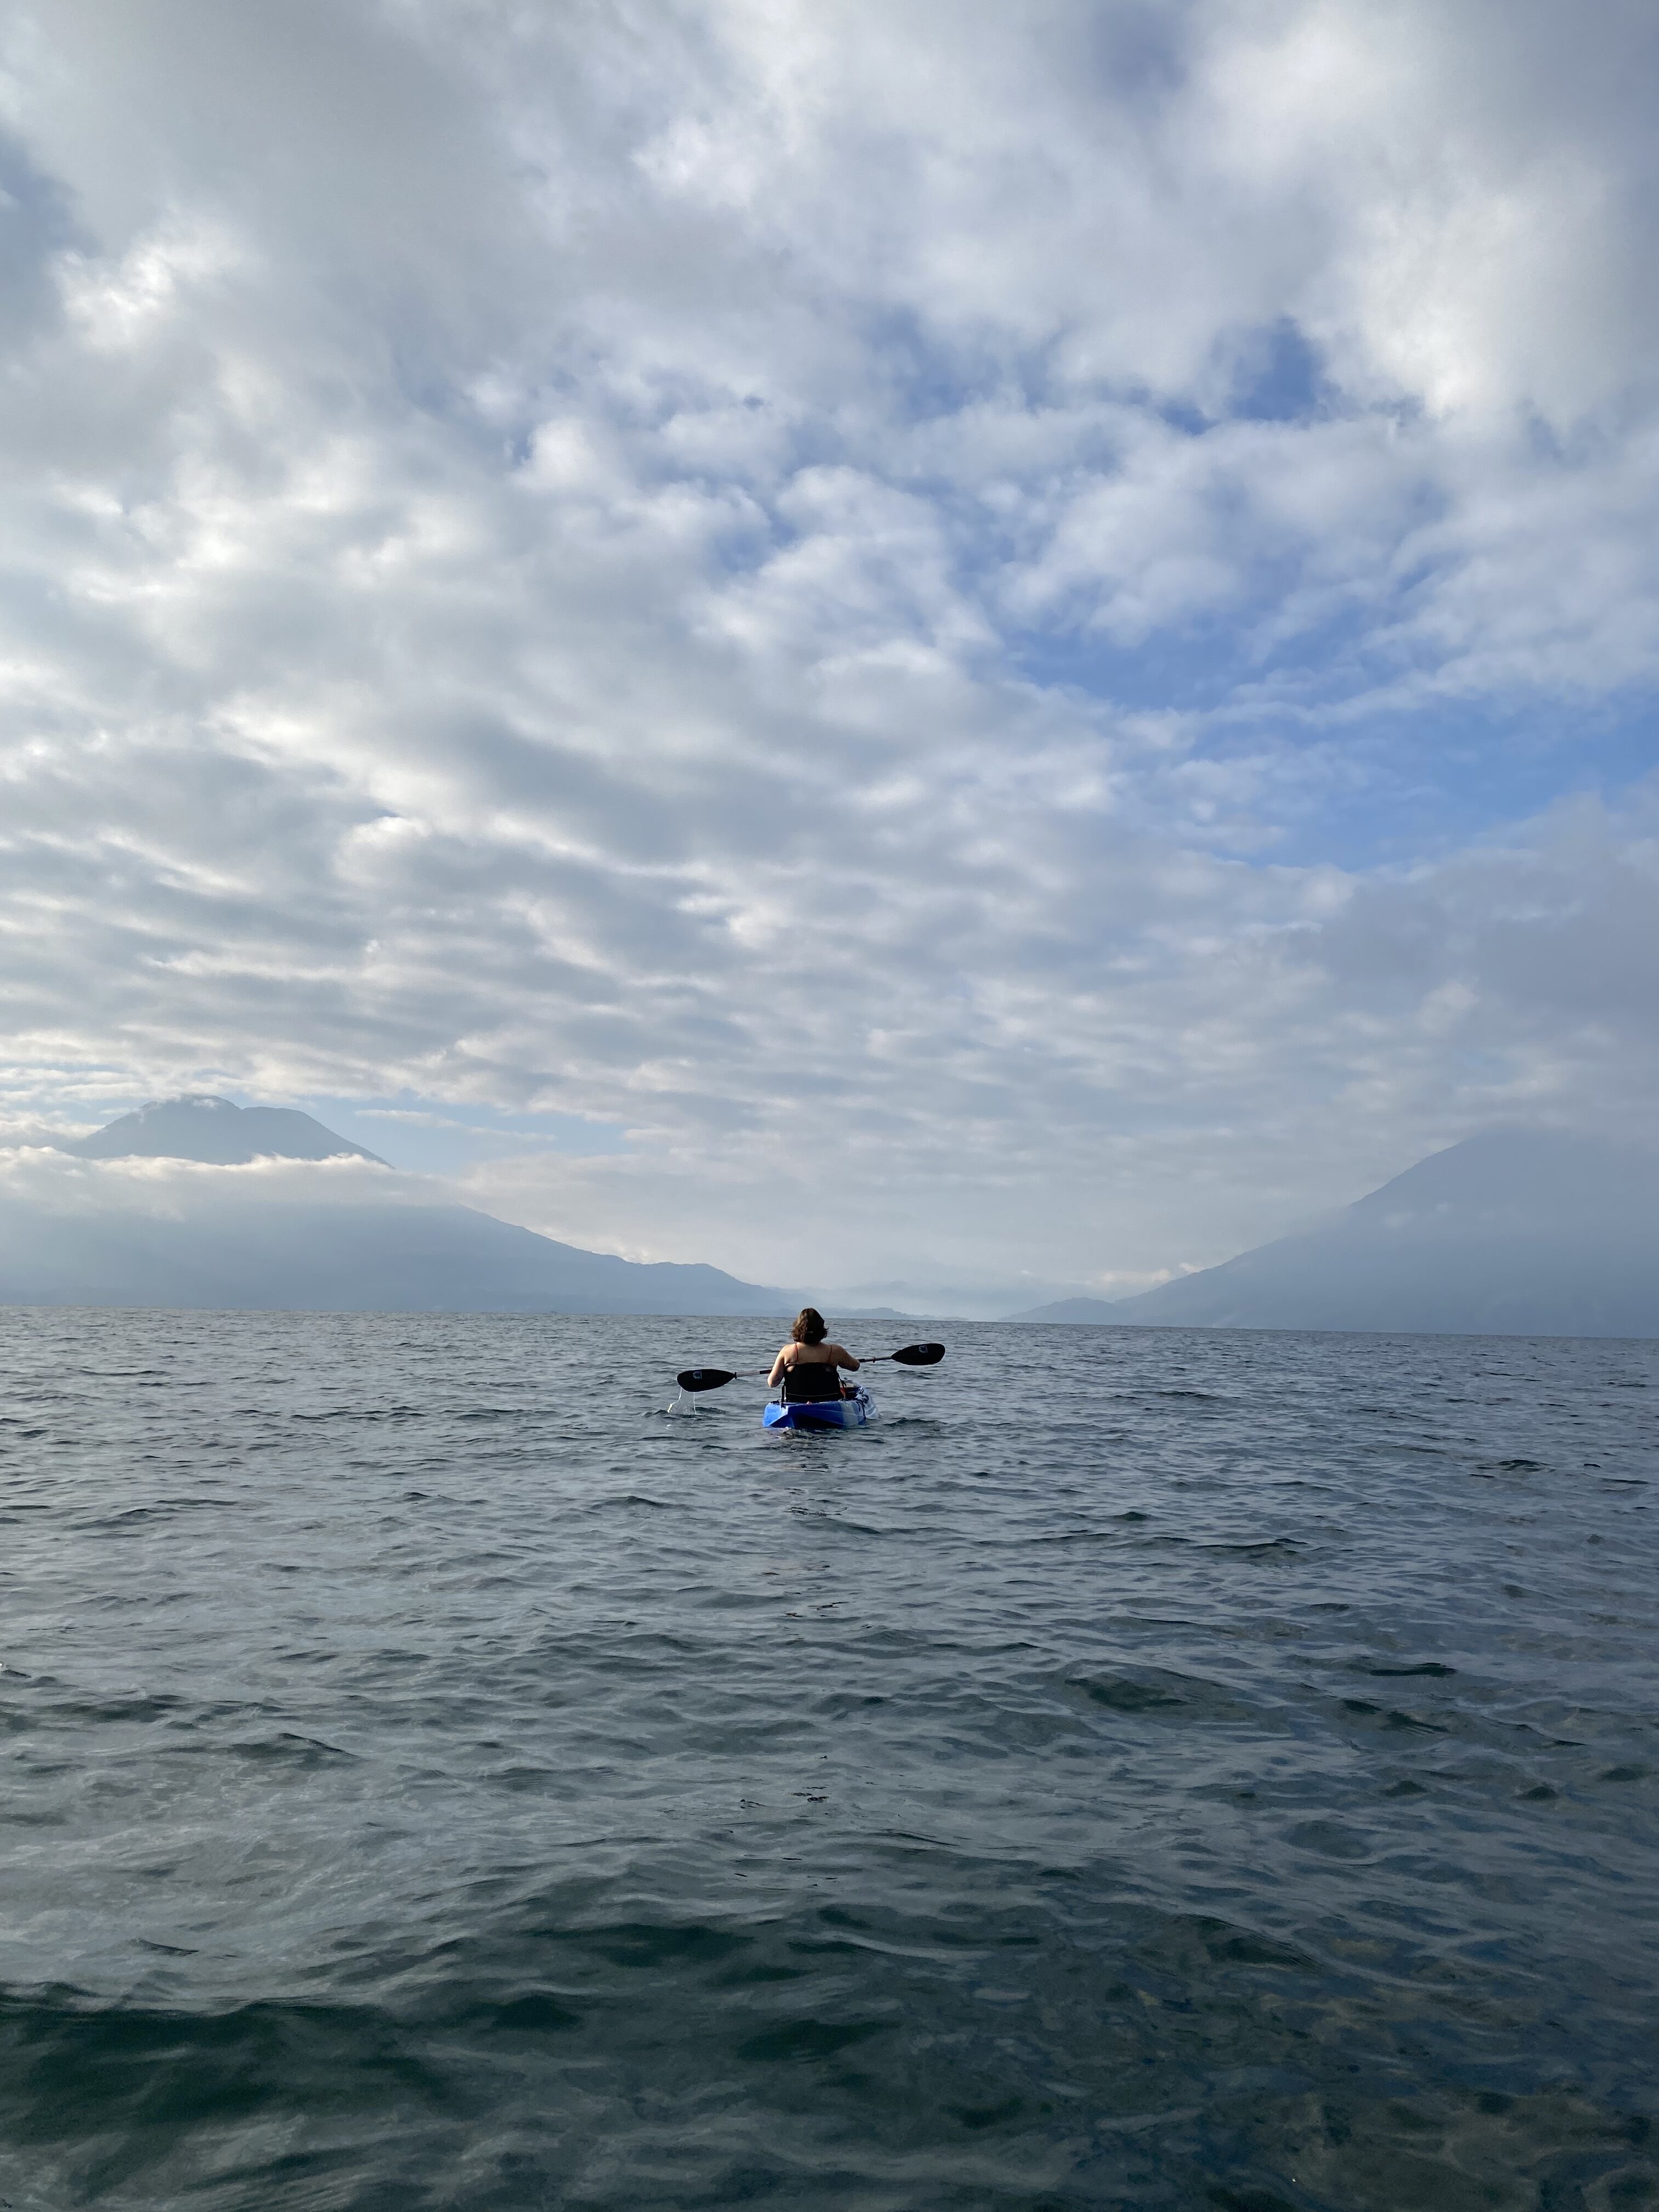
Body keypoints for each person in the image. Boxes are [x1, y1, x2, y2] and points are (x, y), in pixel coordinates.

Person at [768, 1308, 860, 1403]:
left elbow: (773, 1382)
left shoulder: (787, 1351)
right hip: (829, 1404)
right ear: (821, 1328)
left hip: (796, 1404)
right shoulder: (835, 1351)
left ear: (798, 1328)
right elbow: (855, 1366)